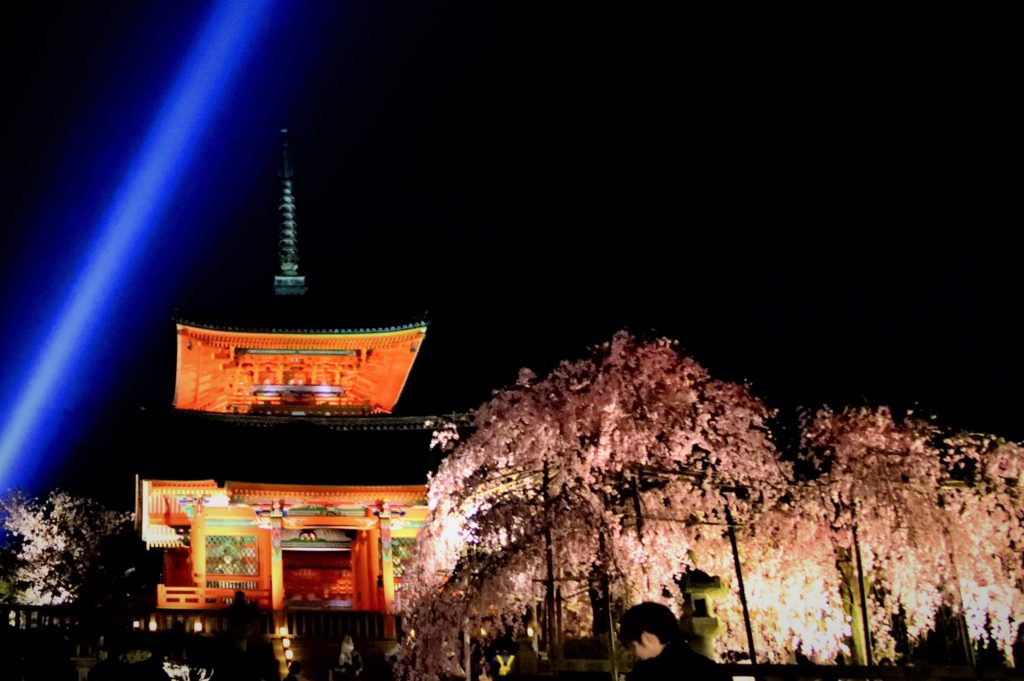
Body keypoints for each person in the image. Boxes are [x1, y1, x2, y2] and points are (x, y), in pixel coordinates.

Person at [618, 602, 730, 681]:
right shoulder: (715, 671)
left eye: (633, 646)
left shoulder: (644, 675)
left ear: (646, 638)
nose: (634, 654)